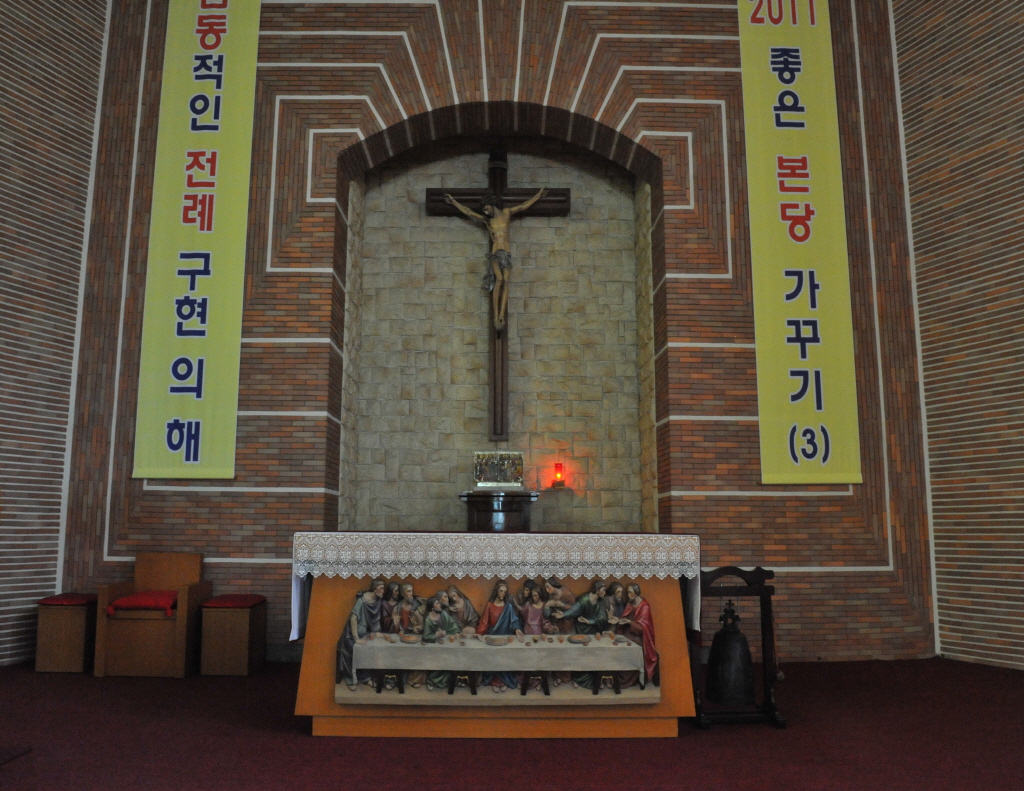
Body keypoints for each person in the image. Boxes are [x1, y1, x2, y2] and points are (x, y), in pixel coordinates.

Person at [444, 187, 547, 331]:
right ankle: (496, 315)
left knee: (506, 280)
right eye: (484, 211)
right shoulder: (488, 220)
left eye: (486, 209)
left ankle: (501, 315)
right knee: (499, 279)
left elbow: (523, 206)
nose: (486, 212)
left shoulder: (506, 213)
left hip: (506, 253)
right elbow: (469, 212)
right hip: (495, 253)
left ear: (492, 204)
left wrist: (538, 196)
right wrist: (454, 202)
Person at [553, 579, 610, 689]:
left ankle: (594, 679)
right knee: (581, 655)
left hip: (594, 632)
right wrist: (563, 615)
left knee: (593, 656)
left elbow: (603, 618)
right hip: (582, 631)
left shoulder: (600, 602)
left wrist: (590, 621)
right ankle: (578, 679)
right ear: (597, 590)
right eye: (603, 590)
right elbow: (574, 610)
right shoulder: (585, 599)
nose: (605, 592)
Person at [336, 578, 386, 690]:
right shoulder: (362, 600)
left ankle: (365, 678)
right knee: (352, 650)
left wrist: (375, 632)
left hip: (365, 633)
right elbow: (353, 618)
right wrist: (356, 638)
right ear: (374, 589)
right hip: (352, 634)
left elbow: (374, 619)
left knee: (369, 650)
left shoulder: (377, 601)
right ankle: (350, 679)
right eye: (381, 589)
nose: (383, 591)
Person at [475, 579, 523, 692]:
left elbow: (514, 621)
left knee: (505, 658)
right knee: (493, 658)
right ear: (496, 591)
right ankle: (494, 681)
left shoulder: (508, 607)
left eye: (504, 592)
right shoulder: (489, 605)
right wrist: (479, 633)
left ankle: (504, 680)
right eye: (501, 591)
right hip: (492, 637)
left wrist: (517, 630)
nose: (502, 594)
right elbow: (484, 622)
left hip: (505, 637)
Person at [617, 582, 659, 687]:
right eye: (627, 592)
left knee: (628, 650)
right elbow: (624, 618)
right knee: (618, 647)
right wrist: (620, 621)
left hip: (641, 639)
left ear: (636, 593)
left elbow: (642, 629)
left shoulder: (644, 606)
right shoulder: (630, 603)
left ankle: (627, 681)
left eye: (630, 592)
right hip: (628, 635)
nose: (628, 595)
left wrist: (629, 622)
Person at [422, 596, 462, 691]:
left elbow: (452, 623)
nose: (440, 605)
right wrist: (436, 635)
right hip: (433, 647)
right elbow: (426, 637)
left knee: (452, 657)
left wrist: (456, 631)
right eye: (437, 603)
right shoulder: (428, 620)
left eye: (439, 603)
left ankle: (450, 681)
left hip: (445, 643)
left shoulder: (443, 614)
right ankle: (431, 681)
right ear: (432, 607)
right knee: (440, 660)